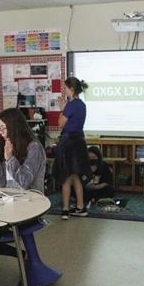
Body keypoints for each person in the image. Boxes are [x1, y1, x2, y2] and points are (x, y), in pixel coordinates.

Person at [0, 107, 46, 193]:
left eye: (3, 127)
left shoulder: (34, 147)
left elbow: (24, 182)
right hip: (11, 200)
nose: (1, 132)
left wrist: (10, 159)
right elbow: (0, 184)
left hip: (31, 202)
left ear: (14, 127)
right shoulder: (9, 145)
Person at [55, 77, 91, 219]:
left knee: (66, 177)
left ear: (72, 89)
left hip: (68, 143)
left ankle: (65, 209)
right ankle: (80, 207)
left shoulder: (71, 105)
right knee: (76, 176)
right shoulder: (82, 105)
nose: (64, 90)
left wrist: (61, 109)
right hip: (79, 142)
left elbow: (60, 124)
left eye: (66, 88)